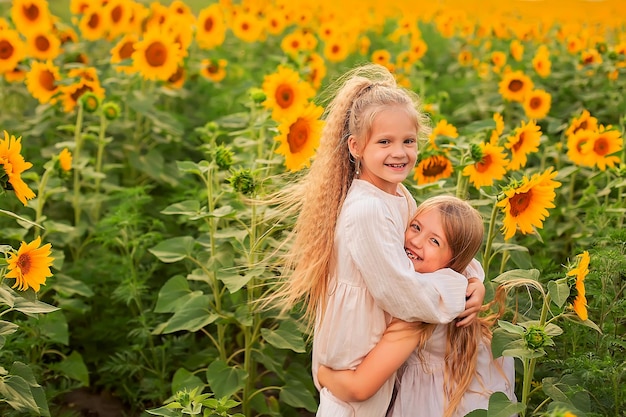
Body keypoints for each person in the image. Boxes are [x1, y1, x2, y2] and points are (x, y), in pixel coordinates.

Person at [269, 63, 486, 416]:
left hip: (376, 354)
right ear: (356, 147)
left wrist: (472, 277)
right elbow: (401, 292)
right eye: (384, 142)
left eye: (408, 141)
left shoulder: (398, 195)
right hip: (353, 363)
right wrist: (457, 291)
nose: (399, 153)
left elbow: (423, 251)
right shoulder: (367, 210)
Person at [317, 195, 516, 417]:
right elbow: (468, 265)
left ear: (454, 263)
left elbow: (360, 388)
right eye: (415, 226)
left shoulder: (420, 307)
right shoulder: (451, 281)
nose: (416, 241)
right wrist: (474, 281)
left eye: (435, 241)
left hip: (439, 403)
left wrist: (323, 373)